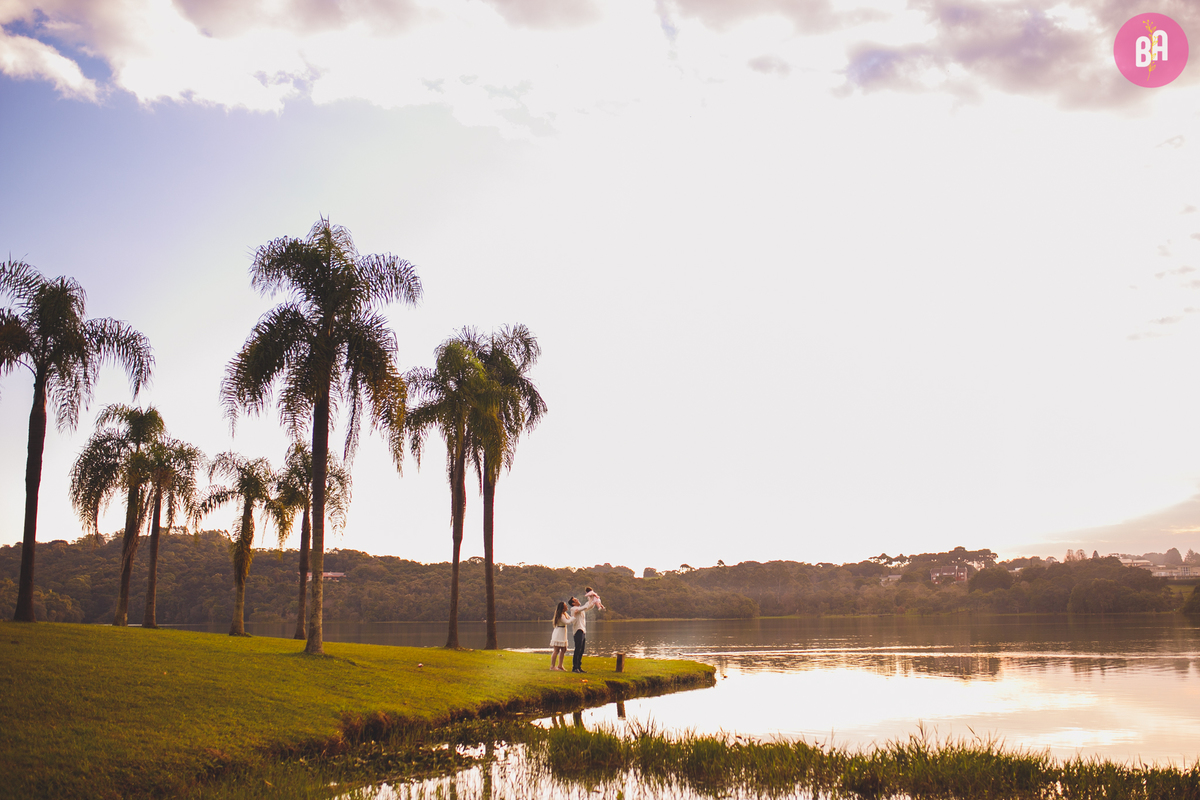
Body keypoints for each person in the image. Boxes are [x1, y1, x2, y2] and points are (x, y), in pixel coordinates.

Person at [567, 595, 596, 673]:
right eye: (575, 600)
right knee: (578, 649)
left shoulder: (580, 609)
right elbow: (585, 607)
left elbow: (590, 606)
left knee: (581, 650)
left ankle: (579, 667)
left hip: (582, 630)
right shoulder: (573, 609)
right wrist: (590, 598)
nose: (578, 600)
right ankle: (574, 667)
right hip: (578, 631)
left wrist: (592, 599)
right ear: (573, 603)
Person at [549, 601, 571, 671]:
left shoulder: (565, 614)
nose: (567, 607)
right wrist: (574, 617)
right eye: (565, 606)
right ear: (562, 608)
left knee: (564, 649)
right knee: (556, 650)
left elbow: (570, 619)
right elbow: (567, 622)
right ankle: (552, 666)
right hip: (558, 633)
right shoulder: (561, 615)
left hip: (563, 632)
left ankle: (560, 665)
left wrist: (575, 616)